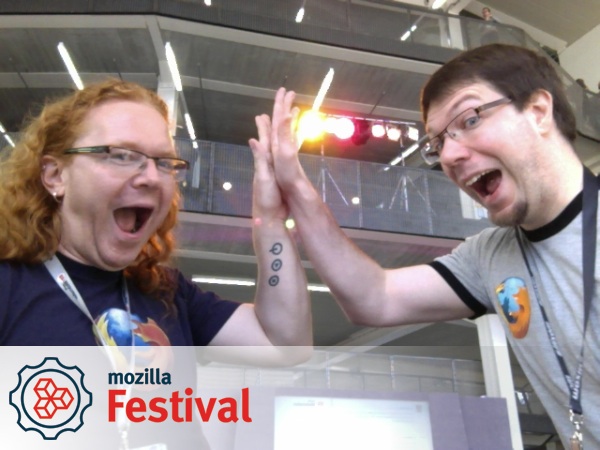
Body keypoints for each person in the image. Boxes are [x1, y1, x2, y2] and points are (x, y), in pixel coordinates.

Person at [251, 44, 599, 448]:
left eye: (470, 119)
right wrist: (295, 185)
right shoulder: (491, 255)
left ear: (538, 111)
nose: (449, 154)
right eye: (439, 142)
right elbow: (375, 298)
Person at [0, 79, 312, 447]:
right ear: (55, 175)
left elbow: (285, 343)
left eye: (164, 162)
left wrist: (271, 220)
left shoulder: (165, 290)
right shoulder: (10, 287)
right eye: (120, 154)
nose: (151, 176)